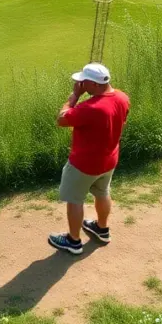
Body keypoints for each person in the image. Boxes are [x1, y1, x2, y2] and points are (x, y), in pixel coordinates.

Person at [48, 63, 131, 255]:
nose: (80, 85)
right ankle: (102, 229)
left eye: (83, 82)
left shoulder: (89, 107)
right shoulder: (122, 97)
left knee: (74, 200)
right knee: (102, 192)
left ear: (94, 84)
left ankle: (73, 241)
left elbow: (61, 119)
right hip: (109, 160)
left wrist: (74, 97)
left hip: (83, 164)